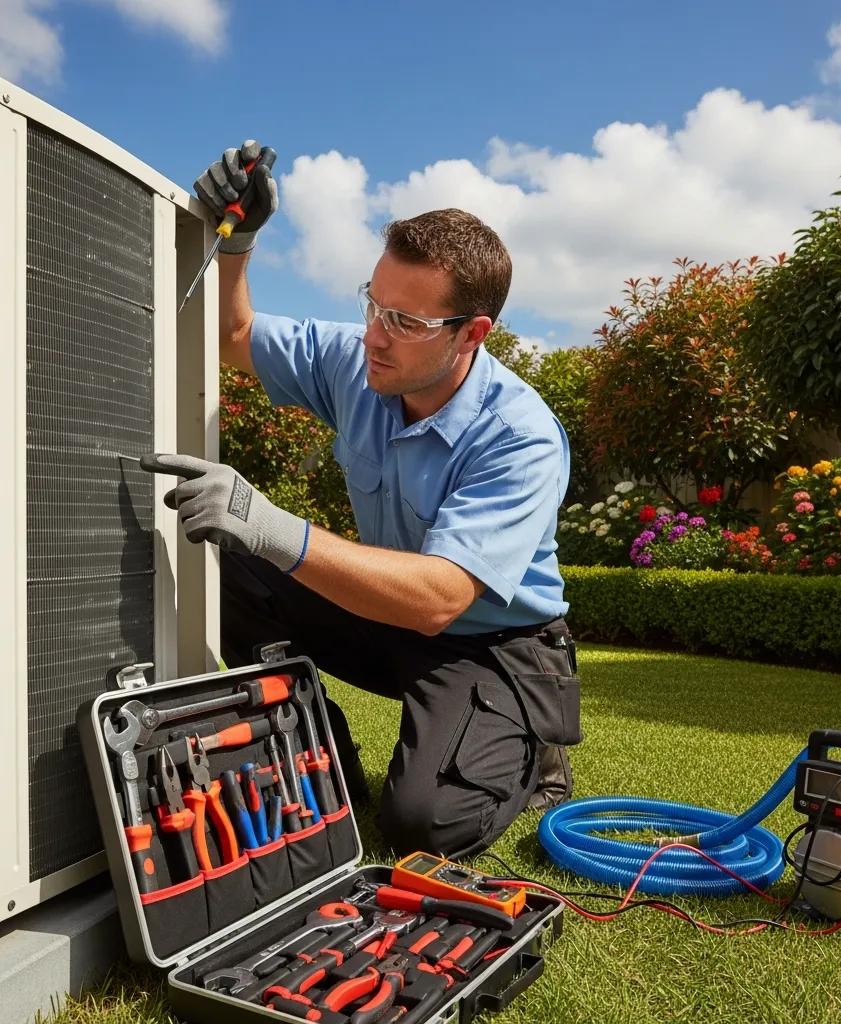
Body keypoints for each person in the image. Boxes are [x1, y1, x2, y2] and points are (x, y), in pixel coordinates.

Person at [141, 140, 582, 859]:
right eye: (374, 305)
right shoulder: (360, 358)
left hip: (492, 642)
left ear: (473, 334)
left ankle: (532, 744)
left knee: (423, 824)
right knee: (216, 558)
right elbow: (232, 333)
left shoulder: (520, 435)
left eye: (405, 323)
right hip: (384, 615)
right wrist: (238, 240)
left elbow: (440, 598)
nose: (375, 337)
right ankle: (315, 741)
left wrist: (273, 524)